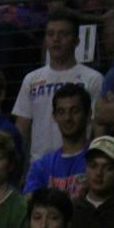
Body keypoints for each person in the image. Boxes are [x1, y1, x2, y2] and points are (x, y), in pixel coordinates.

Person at [13, 12, 105, 162]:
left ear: (76, 40)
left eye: (63, 34)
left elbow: (98, 127)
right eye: (50, 34)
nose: (56, 39)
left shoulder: (93, 79)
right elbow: (22, 128)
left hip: (79, 162)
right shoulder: (31, 79)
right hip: (40, 163)